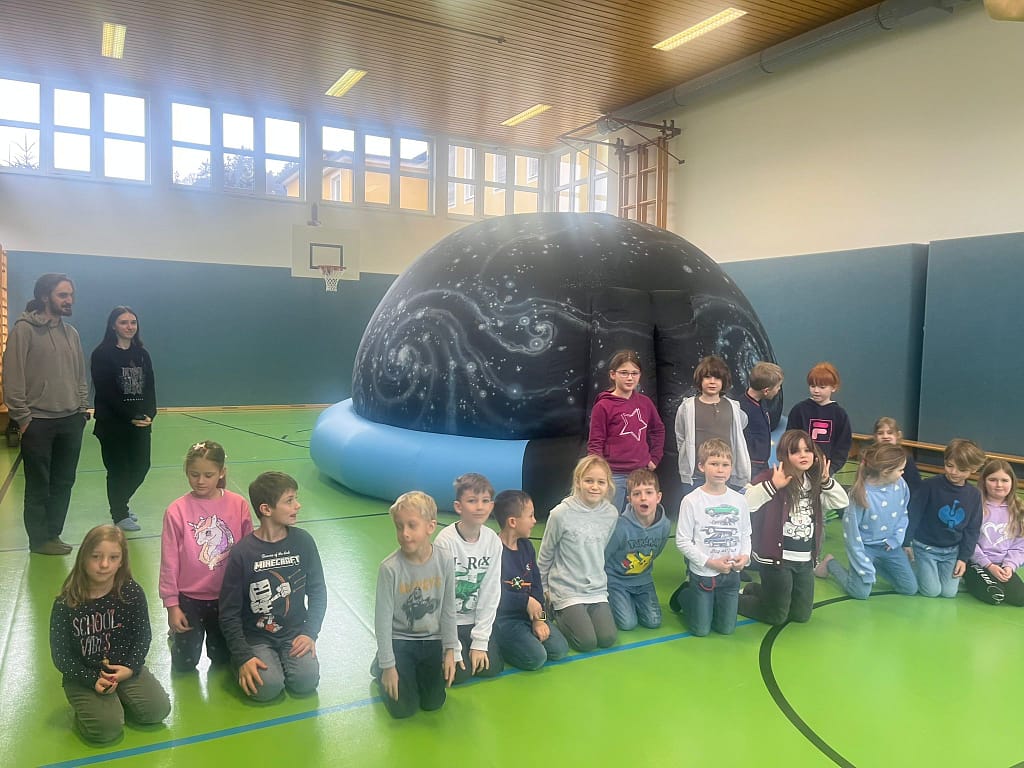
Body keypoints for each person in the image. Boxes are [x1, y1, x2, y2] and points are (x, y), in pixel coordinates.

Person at [49, 525, 170, 743]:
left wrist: (130, 667)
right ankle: (92, 711)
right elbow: (61, 656)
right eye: (96, 556)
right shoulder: (66, 603)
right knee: (106, 730)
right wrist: (91, 679)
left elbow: (142, 636)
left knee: (157, 711)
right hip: (84, 676)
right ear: (83, 558)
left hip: (123, 669)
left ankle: (119, 702)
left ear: (121, 561)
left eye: (113, 557)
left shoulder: (131, 592)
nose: (104, 564)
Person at [219, 472, 326, 701]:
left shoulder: (304, 542)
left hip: (294, 633)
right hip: (256, 637)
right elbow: (229, 612)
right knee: (266, 689)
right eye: (289, 500)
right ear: (266, 509)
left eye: (295, 498)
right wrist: (243, 656)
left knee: (306, 682)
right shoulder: (242, 553)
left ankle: (281, 662)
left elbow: (318, 592)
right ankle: (238, 662)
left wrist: (309, 633)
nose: (297, 505)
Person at [3, 273, 89, 555]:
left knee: (63, 482)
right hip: (37, 423)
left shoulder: (71, 333)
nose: (69, 300)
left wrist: (81, 410)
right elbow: (12, 377)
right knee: (39, 486)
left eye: (71, 295)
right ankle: (39, 541)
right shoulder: (23, 330)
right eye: (62, 295)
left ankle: (53, 534)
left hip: (70, 421)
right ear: (44, 297)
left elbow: (80, 375)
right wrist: (23, 418)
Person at [159, 441, 253, 672]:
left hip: (227, 597)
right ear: (186, 472)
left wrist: (246, 593)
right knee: (184, 663)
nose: (200, 481)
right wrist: (172, 605)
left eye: (208, 475)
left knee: (222, 659)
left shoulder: (238, 505)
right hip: (189, 599)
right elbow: (169, 561)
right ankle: (176, 639)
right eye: (194, 474)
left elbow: (248, 551)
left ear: (222, 472)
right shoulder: (176, 510)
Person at [738, 429, 849, 626]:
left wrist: (826, 481)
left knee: (801, 615)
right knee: (776, 616)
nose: (803, 455)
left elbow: (842, 502)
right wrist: (773, 485)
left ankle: (757, 590)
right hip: (776, 561)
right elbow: (745, 503)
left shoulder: (814, 482)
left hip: (804, 560)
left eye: (807, 450)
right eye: (796, 451)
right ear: (784, 455)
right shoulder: (771, 477)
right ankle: (730, 600)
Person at [373, 491, 459, 719]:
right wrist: (388, 666)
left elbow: (448, 609)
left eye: (412, 526)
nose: (405, 534)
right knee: (403, 709)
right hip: (401, 640)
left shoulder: (445, 560)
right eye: (399, 526)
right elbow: (382, 621)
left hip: (432, 640)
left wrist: (450, 650)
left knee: (434, 703)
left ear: (431, 526)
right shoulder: (390, 568)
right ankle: (380, 664)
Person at [537, 455, 620, 651]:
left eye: (601, 482)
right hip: (567, 589)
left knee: (607, 638)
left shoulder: (611, 514)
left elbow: (601, 548)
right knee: (586, 642)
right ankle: (556, 612)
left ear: (608, 485)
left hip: (596, 589)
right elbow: (546, 553)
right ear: (578, 482)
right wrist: (543, 589)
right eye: (589, 480)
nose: (594, 487)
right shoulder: (560, 514)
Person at [813, 443, 917, 599]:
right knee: (860, 593)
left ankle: (876, 565)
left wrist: (896, 539)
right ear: (885, 472)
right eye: (900, 470)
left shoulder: (901, 484)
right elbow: (852, 537)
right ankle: (830, 563)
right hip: (865, 548)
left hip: (889, 546)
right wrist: (864, 565)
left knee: (909, 588)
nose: (903, 473)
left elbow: (903, 514)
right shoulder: (861, 494)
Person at [672, 439, 751, 636]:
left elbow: (745, 533)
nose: (720, 470)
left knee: (726, 629)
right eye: (714, 464)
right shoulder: (691, 501)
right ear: (701, 466)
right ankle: (685, 594)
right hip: (704, 574)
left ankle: (709, 606)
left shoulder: (739, 500)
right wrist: (710, 562)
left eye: (725, 464)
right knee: (701, 630)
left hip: (731, 575)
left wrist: (745, 556)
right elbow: (682, 540)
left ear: (731, 467)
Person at [433, 472, 504, 683]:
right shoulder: (445, 542)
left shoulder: (493, 541)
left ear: (491, 506)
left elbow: (490, 592)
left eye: (485, 501)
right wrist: (452, 647)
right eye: (472, 501)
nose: (479, 507)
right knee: (459, 675)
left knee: (492, 668)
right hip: (446, 622)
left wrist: (480, 642)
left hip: (473, 620)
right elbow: (440, 598)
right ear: (458, 506)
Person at [90, 305, 156, 532]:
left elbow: (150, 387)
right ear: (113, 326)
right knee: (118, 470)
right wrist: (131, 416)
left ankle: (120, 503)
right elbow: (106, 393)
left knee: (141, 466)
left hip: (140, 423)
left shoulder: (142, 354)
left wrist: (150, 414)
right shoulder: (102, 354)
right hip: (113, 425)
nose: (129, 327)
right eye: (123, 322)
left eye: (133, 322)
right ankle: (119, 513)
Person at [492, 489, 569, 670]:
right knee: (536, 658)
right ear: (513, 522)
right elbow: (493, 594)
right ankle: (499, 642)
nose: (535, 521)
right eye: (530, 516)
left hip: (530, 614)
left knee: (559, 650)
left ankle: (525, 638)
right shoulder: (493, 550)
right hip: (505, 619)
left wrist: (539, 619)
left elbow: (536, 587)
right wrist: (525, 601)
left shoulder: (526, 546)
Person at [904, 438, 986, 598]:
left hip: (951, 552)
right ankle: (913, 566)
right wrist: (907, 542)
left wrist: (963, 558)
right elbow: (914, 514)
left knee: (949, 593)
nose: (954, 472)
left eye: (961, 469)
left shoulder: (974, 495)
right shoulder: (929, 486)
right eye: (949, 465)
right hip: (925, 548)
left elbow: (972, 529)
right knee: (931, 591)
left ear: (974, 469)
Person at [587, 349, 665, 511]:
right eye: (624, 373)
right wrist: (598, 471)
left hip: (641, 473)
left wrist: (655, 458)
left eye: (634, 373)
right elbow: (595, 442)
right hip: (613, 474)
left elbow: (658, 429)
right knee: (610, 518)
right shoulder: (603, 406)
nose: (630, 378)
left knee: (639, 518)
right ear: (612, 374)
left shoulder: (645, 403)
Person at [603, 468, 671, 630]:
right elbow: (604, 555)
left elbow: (656, 551)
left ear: (658, 497)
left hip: (643, 580)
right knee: (627, 624)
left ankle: (632, 601)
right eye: (637, 494)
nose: (643, 498)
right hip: (617, 581)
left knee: (653, 622)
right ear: (629, 500)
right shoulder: (620, 527)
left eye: (649, 492)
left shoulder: (665, 525)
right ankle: (611, 600)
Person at [675, 355, 750, 496]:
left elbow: (740, 428)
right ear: (700, 380)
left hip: (724, 473)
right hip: (696, 475)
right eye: (707, 377)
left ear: (724, 381)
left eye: (717, 378)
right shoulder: (688, 407)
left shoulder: (733, 406)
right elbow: (680, 435)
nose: (712, 382)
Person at [965, 459, 1024, 606]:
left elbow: (1019, 545)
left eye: (1004, 480)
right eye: (993, 480)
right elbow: (969, 540)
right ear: (984, 482)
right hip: (977, 562)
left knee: (1020, 598)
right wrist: (988, 565)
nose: (999, 485)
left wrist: (1009, 566)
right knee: (995, 595)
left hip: (1002, 564)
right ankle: (967, 578)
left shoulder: (1018, 509)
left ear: (1012, 483)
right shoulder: (975, 506)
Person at [786, 362, 852, 480]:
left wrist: (831, 469)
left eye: (822, 387)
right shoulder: (799, 410)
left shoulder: (840, 414)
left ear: (833, 388)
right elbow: (789, 439)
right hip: (799, 470)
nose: (816, 391)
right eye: (812, 386)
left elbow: (843, 446)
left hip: (826, 471)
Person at [740, 361, 784, 479]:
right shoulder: (742, 409)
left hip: (763, 463)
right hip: (750, 465)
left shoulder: (762, 402)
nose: (779, 389)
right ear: (766, 391)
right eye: (777, 387)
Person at [873, 416, 922, 495]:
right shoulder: (870, 457)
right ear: (875, 436)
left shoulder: (906, 458)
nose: (885, 436)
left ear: (898, 435)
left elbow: (915, 485)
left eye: (890, 433)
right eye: (880, 433)